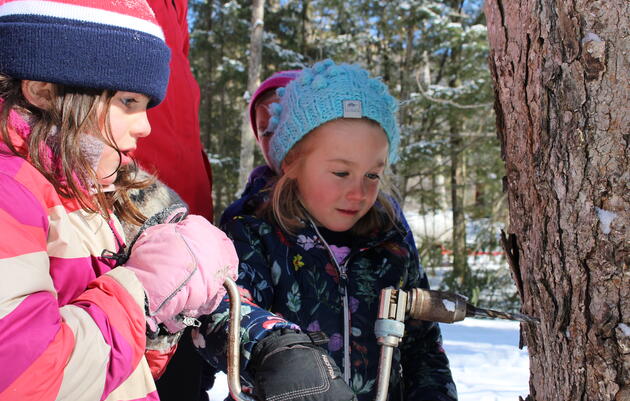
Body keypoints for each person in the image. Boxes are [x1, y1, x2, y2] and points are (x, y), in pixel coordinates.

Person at [0, 1, 237, 399]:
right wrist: (141, 294)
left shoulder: (86, 188)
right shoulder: (11, 194)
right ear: (43, 89)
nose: (145, 126)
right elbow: (27, 378)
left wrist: (166, 318)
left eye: (146, 105)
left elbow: (116, 370)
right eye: (128, 102)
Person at [208, 59, 458, 401]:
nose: (359, 192)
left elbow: (423, 345)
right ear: (292, 162)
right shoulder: (254, 227)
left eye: (373, 175)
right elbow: (223, 309)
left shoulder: (389, 238)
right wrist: (280, 350)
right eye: (341, 173)